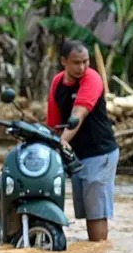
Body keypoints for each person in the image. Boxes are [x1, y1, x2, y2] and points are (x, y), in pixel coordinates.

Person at [47, 39, 119, 242]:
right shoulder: (57, 83)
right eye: (76, 62)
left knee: (96, 212)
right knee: (87, 210)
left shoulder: (92, 78)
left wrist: (60, 143)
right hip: (76, 154)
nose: (82, 67)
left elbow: (79, 113)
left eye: (85, 62)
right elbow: (53, 121)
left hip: (100, 152)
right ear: (64, 61)